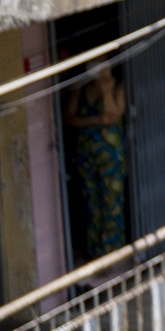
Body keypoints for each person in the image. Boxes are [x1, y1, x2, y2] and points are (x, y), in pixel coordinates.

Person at [64, 64, 128, 259]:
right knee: (92, 206)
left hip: (110, 160)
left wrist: (106, 90)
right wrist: (95, 120)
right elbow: (69, 118)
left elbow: (112, 116)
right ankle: (97, 255)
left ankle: (113, 254)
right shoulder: (81, 89)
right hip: (87, 158)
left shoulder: (117, 87)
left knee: (112, 205)